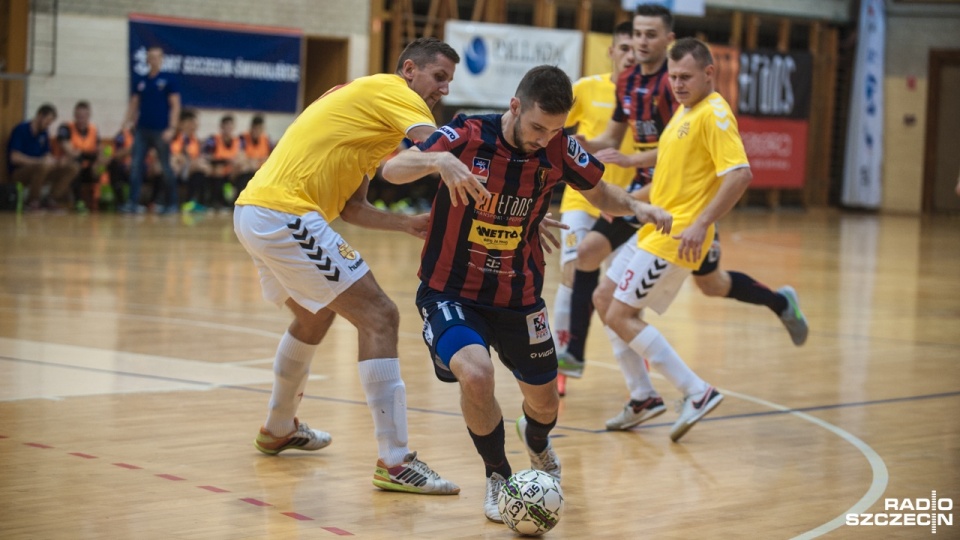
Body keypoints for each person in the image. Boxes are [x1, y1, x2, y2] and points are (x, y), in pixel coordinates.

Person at [381, 65, 672, 521]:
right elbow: (393, 169)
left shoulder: (558, 146)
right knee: (476, 375)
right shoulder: (467, 132)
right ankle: (498, 475)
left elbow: (600, 193)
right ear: (514, 106)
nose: (544, 138)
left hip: (519, 295)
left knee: (543, 402)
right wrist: (437, 160)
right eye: (538, 126)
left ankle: (537, 442)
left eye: (554, 130)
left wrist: (638, 206)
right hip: (450, 288)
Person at [233, 37, 466, 495]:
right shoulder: (394, 92)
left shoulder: (370, 117)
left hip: (258, 210)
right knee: (380, 315)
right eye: (438, 77)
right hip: (284, 213)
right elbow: (436, 146)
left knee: (314, 314)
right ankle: (395, 462)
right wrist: (456, 163)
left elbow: (353, 208)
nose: (443, 89)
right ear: (409, 70)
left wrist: (405, 224)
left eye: (448, 82)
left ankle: (279, 427)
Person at [562, 4, 808, 400]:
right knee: (594, 267)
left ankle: (777, 303)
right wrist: (580, 150)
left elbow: (709, 162)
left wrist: (690, 214)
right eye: (634, 35)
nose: (640, 43)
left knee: (708, 285)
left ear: (668, 40)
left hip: (682, 207)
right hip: (653, 196)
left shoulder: (689, 98)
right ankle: (593, 363)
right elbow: (637, 144)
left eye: (648, 35)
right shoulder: (640, 89)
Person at [602, 37, 765, 443]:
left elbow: (740, 174)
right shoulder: (683, 112)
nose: (676, 83)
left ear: (711, 73)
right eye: (673, 76)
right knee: (603, 299)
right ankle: (642, 397)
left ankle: (697, 391)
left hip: (677, 237)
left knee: (621, 315)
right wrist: (624, 203)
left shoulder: (714, 114)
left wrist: (701, 224)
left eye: (685, 76)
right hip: (653, 227)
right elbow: (666, 184)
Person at [552, 22, 638, 396]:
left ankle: (635, 346)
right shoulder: (588, 88)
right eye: (625, 48)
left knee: (623, 286)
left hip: (628, 201)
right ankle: (559, 359)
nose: (631, 55)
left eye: (637, 49)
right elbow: (557, 133)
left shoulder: (649, 95)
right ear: (612, 50)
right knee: (573, 273)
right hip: (580, 198)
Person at [120, 45, 181, 214]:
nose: (153, 60)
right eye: (150, 57)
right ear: (147, 59)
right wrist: (126, 122)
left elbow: (175, 106)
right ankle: (132, 203)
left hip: (161, 131)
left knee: (166, 168)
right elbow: (134, 104)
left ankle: (172, 203)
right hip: (142, 131)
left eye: (156, 57)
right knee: (136, 166)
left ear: (161, 59)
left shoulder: (168, 80)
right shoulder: (141, 81)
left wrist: (172, 128)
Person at [6, 103, 78, 211]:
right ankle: (32, 202)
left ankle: (51, 199)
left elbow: (47, 154)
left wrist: (57, 161)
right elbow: (14, 157)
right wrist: (38, 162)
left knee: (72, 167)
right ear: (39, 116)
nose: (47, 125)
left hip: (42, 169)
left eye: (50, 123)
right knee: (44, 165)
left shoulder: (44, 133)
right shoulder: (21, 129)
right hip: (19, 172)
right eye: (47, 122)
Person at [56, 100, 102, 211]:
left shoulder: (94, 130)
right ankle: (78, 201)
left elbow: (99, 150)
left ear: (89, 116)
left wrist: (100, 160)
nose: (81, 119)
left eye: (84, 116)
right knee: (76, 165)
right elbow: (69, 150)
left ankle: (103, 200)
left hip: (88, 166)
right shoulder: (65, 128)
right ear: (74, 115)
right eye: (78, 116)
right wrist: (79, 154)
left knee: (104, 166)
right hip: (69, 166)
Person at [170, 109, 210, 213]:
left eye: (194, 123)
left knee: (201, 171)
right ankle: (168, 202)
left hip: (188, 169)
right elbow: (174, 155)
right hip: (175, 168)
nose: (193, 126)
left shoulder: (194, 140)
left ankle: (193, 202)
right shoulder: (175, 137)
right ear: (182, 124)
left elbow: (197, 157)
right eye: (190, 122)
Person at [203, 114, 241, 211]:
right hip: (217, 169)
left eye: (230, 126)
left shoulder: (237, 141)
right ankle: (215, 201)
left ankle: (233, 201)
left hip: (231, 173)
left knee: (242, 168)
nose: (228, 128)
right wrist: (223, 161)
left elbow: (241, 156)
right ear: (221, 127)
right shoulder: (213, 140)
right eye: (226, 125)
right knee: (218, 170)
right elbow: (206, 156)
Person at [235, 114, 272, 194]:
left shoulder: (266, 140)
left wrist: (258, 161)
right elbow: (239, 155)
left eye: (260, 129)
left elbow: (271, 157)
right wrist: (250, 161)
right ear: (251, 128)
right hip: (246, 167)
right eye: (255, 128)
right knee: (244, 167)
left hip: (260, 168)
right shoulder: (243, 138)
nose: (257, 131)